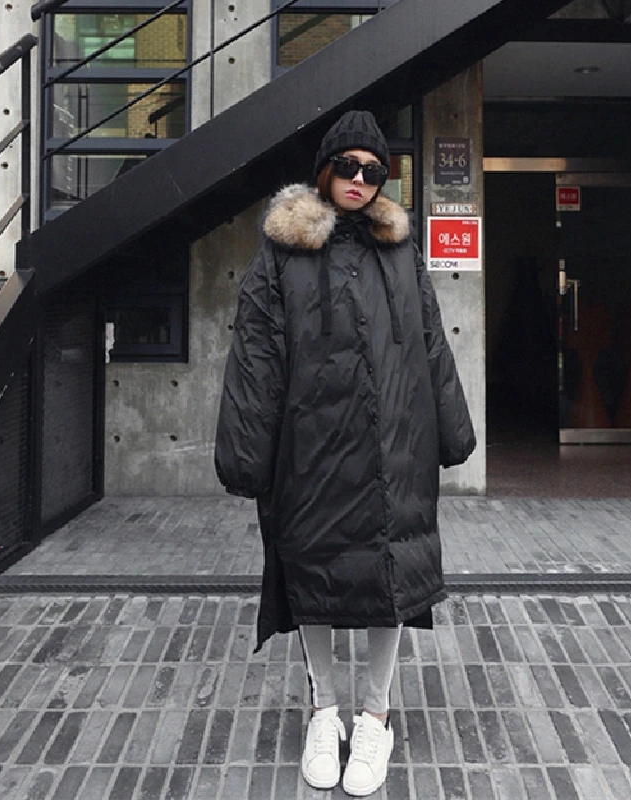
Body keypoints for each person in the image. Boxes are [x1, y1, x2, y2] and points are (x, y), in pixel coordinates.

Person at [214, 110, 475, 796]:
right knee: (315, 579)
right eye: (348, 166)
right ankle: (323, 712)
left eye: (374, 169)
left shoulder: (400, 250)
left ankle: (376, 716)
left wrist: (453, 429)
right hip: (310, 448)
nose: (360, 179)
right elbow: (255, 355)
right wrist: (246, 453)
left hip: (396, 446)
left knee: (391, 579)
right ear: (324, 169)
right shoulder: (283, 252)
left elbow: (430, 341)